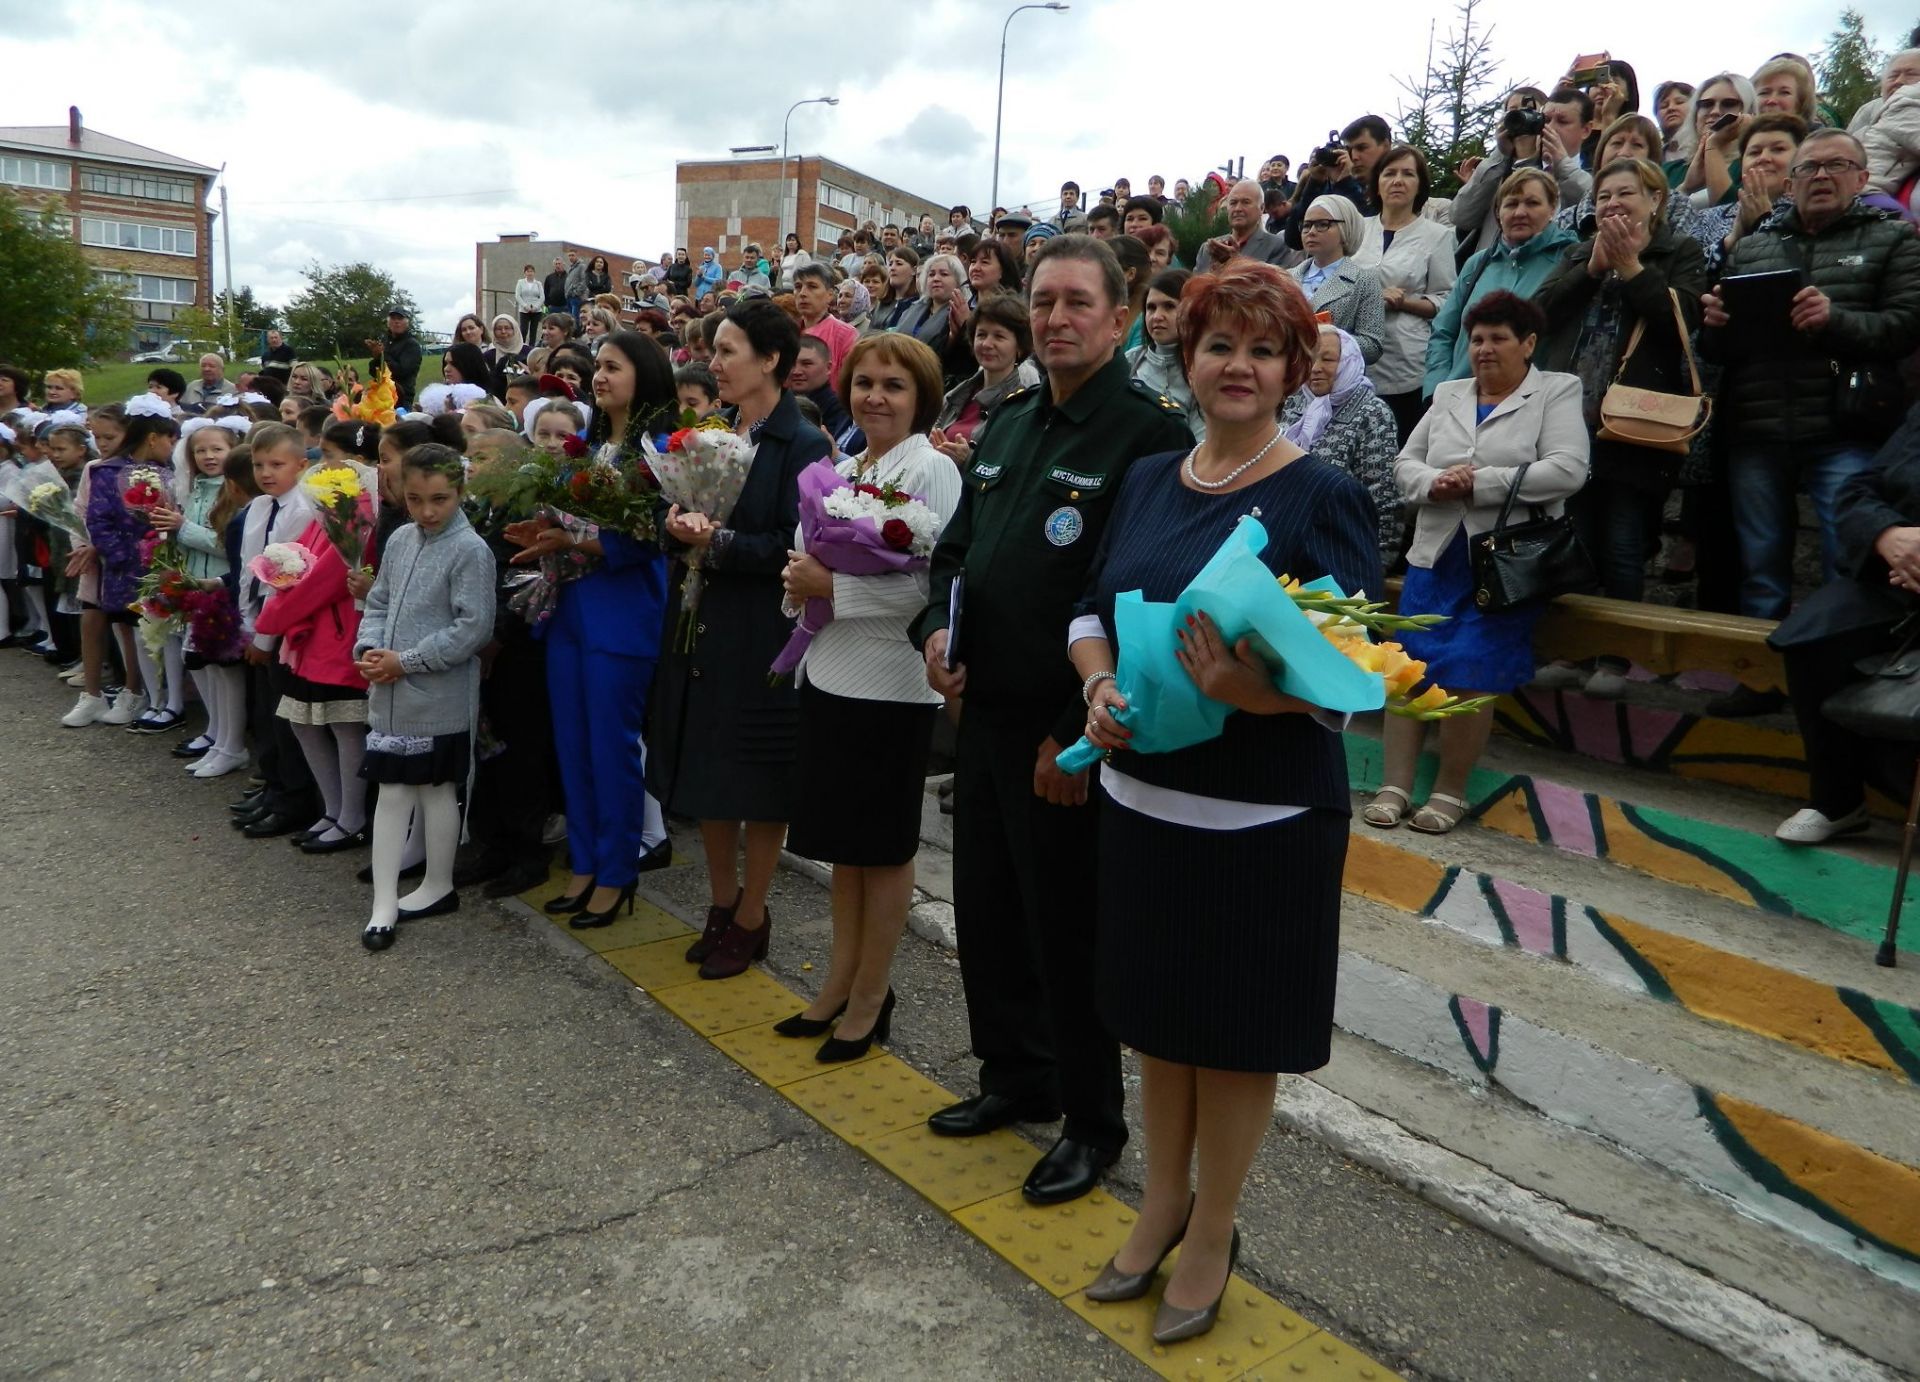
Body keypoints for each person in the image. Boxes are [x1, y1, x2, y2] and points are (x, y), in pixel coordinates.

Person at [1069, 259, 1379, 1346]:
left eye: (1261, 349)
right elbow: (1089, 608)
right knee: (1160, 1023)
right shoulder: (1152, 477)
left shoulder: (1323, 496)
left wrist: (1250, 692)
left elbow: (1352, 681)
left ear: (1295, 370)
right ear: (1187, 359)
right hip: (1144, 799)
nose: (1237, 365)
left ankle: (1217, 1226)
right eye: (1219, 345)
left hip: (1263, 819)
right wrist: (1101, 686)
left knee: (1237, 1035)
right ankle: (1161, 1200)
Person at [912, 235, 1192, 1205]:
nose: (1057, 316)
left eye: (1078, 301)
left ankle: (1090, 1120)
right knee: (986, 912)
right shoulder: (1013, 419)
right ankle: (1012, 1075)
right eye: (1043, 300)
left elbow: (1136, 596)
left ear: (1120, 316)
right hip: (980, 710)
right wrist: (932, 629)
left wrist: (1075, 734)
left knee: (1065, 930)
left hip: (1064, 726)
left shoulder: (1148, 434)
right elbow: (959, 554)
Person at [778, 334, 963, 1060]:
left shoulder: (934, 469)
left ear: (920, 397)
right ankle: (838, 982)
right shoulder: (842, 468)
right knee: (844, 852)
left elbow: (934, 585)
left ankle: (871, 995)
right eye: (864, 383)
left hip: (892, 684)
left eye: (893, 385)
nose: (875, 397)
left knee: (882, 851)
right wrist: (801, 589)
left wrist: (836, 589)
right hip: (829, 672)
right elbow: (803, 557)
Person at [651, 299, 832, 980]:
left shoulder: (803, 443)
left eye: (728, 351)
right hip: (704, 626)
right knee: (709, 774)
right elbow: (695, 516)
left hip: (762, 633)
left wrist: (716, 542)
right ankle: (720, 903)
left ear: (772, 360)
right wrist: (680, 523)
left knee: (756, 783)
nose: (714, 364)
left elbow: (797, 545)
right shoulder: (714, 434)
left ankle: (754, 911)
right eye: (714, 351)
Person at [1374, 291, 1589, 834]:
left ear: (1528, 344)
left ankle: (1449, 791)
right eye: (1477, 339)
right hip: (1435, 556)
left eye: (1498, 339)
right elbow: (1406, 463)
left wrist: (1479, 484)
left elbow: (1568, 470)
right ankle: (1394, 785)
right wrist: (1434, 484)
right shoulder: (1448, 393)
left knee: (1472, 671)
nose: (1485, 350)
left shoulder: (1556, 391)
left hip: (1504, 564)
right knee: (1408, 670)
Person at [1701, 129, 1920, 626]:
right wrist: (1712, 325)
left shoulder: (1893, 238)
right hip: (1757, 430)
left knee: (1846, 557)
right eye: (1808, 168)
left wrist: (1834, 318)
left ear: (1862, 178)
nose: (1820, 176)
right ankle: (1759, 681)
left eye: (1836, 166)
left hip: (1845, 429)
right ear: (1790, 182)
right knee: (1759, 566)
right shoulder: (1753, 248)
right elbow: (1718, 353)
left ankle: (1833, 681)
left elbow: (1906, 329)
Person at [504, 331, 675, 927]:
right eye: (596, 367)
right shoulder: (589, 447)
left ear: (644, 375)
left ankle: (617, 872)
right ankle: (583, 862)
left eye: (612, 367)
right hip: (571, 608)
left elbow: (652, 540)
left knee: (611, 748)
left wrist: (577, 537)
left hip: (622, 615)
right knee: (572, 744)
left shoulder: (662, 450)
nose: (599, 377)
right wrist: (547, 532)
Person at [1534, 158, 1708, 615]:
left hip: (1636, 418)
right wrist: (1589, 269)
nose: (1612, 203)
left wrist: (1631, 267)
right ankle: (1576, 650)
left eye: (1625, 193)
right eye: (1604, 195)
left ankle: (1616, 657)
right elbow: (1540, 316)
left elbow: (1683, 324)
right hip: (1573, 416)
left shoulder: (1680, 252)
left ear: (1655, 200)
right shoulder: (1577, 251)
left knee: (1624, 541)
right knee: (1574, 535)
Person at [353, 442, 496, 950]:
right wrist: (369, 648)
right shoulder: (399, 541)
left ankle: (438, 884)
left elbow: (473, 628)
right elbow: (379, 600)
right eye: (415, 499)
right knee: (393, 791)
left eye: (440, 499)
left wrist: (406, 661)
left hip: (436, 695)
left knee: (434, 789)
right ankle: (385, 900)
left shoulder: (471, 550)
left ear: (460, 492)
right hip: (389, 692)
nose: (427, 510)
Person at [1768, 407, 1920, 844]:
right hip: (1895, 578)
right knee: (1813, 634)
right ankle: (1838, 802)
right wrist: (1887, 537)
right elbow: (1859, 489)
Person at [253, 440, 373, 854]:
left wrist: (270, 622)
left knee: (343, 724)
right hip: (309, 637)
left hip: (339, 637)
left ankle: (352, 816)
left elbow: (327, 579)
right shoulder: (325, 511)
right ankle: (333, 808)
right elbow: (302, 556)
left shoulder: (357, 513)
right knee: (304, 722)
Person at [229, 424, 322, 837]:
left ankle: (294, 797)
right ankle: (274, 785)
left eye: (277, 464)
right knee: (266, 714)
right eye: (259, 465)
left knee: (284, 719)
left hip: (284, 628)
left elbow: (284, 579)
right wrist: (246, 624)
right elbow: (251, 571)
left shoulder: (302, 510)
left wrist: (265, 636)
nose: (266, 473)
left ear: (302, 465)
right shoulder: (260, 507)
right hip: (257, 622)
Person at [151, 424, 253, 775]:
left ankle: (232, 743)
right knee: (202, 663)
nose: (208, 457)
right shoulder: (193, 490)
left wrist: (184, 528)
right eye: (200, 451)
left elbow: (228, 545)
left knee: (224, 669)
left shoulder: (235, 493)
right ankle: (217, 734)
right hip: (198, 589)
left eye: (217, 449)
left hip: (223, 590)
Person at [1424, 168, 1576, 395]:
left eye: (1532, 203)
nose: (1520, 212)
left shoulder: (1569, 259)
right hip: (1462, 397)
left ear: (1553, 208)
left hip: (1532, 401)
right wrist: (1437, 389)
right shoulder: (1478, 263)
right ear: (1498, 212)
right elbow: (1444, 331)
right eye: (1511, 204)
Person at [1357, 145, 1457, 443]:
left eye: (1408, 174)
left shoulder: (1437, 236)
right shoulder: (1357, 230)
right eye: (1389, 173)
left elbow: (1445, 299)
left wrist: (1405, 302)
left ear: (1419, 185)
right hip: (1356, 357)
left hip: (1406, 362)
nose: (1398, 180)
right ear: (1377, 183)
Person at [1279, 325, 1402, 562]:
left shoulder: (1372, 413)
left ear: (1349, 361)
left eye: (1328, 360)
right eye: (1310, 359)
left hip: (1342, 551)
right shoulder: (1296, 404)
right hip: (1289, 542)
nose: (1315, 369)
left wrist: (1377, 562)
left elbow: (1383, 496)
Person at [1449, 88, 1594, 260]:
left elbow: (1592, 209)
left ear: (1586, 129)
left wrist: (1562, 165)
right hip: (1493, 271)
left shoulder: (1589, 173)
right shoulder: (1503, 169)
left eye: (1562, 121)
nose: (1550, 128)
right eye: (1545, 120)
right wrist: (1500, 155)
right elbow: (1461, 216)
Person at [933, 293, 1040, 461]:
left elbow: (1015, 464)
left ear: (1019, 346)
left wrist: (968, 459)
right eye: (981, 334)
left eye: (999, 336)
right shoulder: (956, 394)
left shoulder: (1024, 403)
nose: (987, 344)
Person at [1288, 195, 1386, 364]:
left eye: (1322, 224)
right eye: (1306, 225)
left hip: (1336, 380)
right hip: (1289, 379)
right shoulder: (1286, 277)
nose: (1311, 231)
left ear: (1345, 230)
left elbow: (1372, 346)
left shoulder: (1364, 280)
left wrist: (1327, 340)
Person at [1281, 115, 1392, 248]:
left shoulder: (1397, 188)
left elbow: (1369, 233)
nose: (1354, 157)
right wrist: (1315, 182)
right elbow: (1294, 239)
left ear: (1385, 146)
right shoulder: (1337, 186)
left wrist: (1345, 183)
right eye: (1349, 150)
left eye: (1362, 148)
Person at [1127, 268, 1203, 442]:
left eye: (1169, 306)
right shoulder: (1129, 362)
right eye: (1151, 308)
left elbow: (1201, 446)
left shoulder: (1202, 372)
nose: (1157, 316)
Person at [1677, 73, 1759, 206]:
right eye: (1706, 104)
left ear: (1748, 113)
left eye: (1729, 103)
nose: (1715, 111)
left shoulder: (1754, 166)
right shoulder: (1670, 170)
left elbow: (1729, 215)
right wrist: (1686, 187)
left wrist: (1714, 146)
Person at [1849, 48, 1920, 198]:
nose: (1899, 81)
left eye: (1911, 74)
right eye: (1893, 76)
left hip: (1865, 191)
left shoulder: (1907, 106)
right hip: (1862, 192)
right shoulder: (1886, 111)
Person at [1195, 180, 1295, 273]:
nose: (1238, 208)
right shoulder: (1208, 249)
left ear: (1261, 208)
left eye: (1246, 202)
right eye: (1233, 203)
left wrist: (1235, 263)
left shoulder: (1277, 246)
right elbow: (1194, 288)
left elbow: (1274, 289)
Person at [791, 262, 855, 385]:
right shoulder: (787, 332)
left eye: (812, 286)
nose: (803, 293)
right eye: (798, 286)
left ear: (829, 295)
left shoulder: (845, 335)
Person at [368, 308, 423, 407]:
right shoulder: (385, 342)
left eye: (400, 318)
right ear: (388, 322)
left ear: (407, 322)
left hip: (401, 398)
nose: (396, 322)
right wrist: (376, 357)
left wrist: (382, 356)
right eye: (393, 318)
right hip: (382, 396)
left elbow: (402, 371)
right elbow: (374, 372)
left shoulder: (412, 345)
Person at [869, 247, 925, 334]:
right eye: (890, 264)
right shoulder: (882, 303)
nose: (892, 268)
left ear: (914, 270)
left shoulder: (917, 305)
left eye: (899, 264)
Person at [515, 265, 546, 342]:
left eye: (531, 271)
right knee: (523, 330)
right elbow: (517, 295)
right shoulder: (520, 282)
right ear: (524, 273)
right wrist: (525, 306)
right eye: (528, 271)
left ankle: (531, 348)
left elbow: (542, 297)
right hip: (524, 310)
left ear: (534, 273)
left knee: (533, 331)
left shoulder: (538, 283)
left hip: (536, 311)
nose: (530, 273)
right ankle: (522, 346)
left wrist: (535, 307)